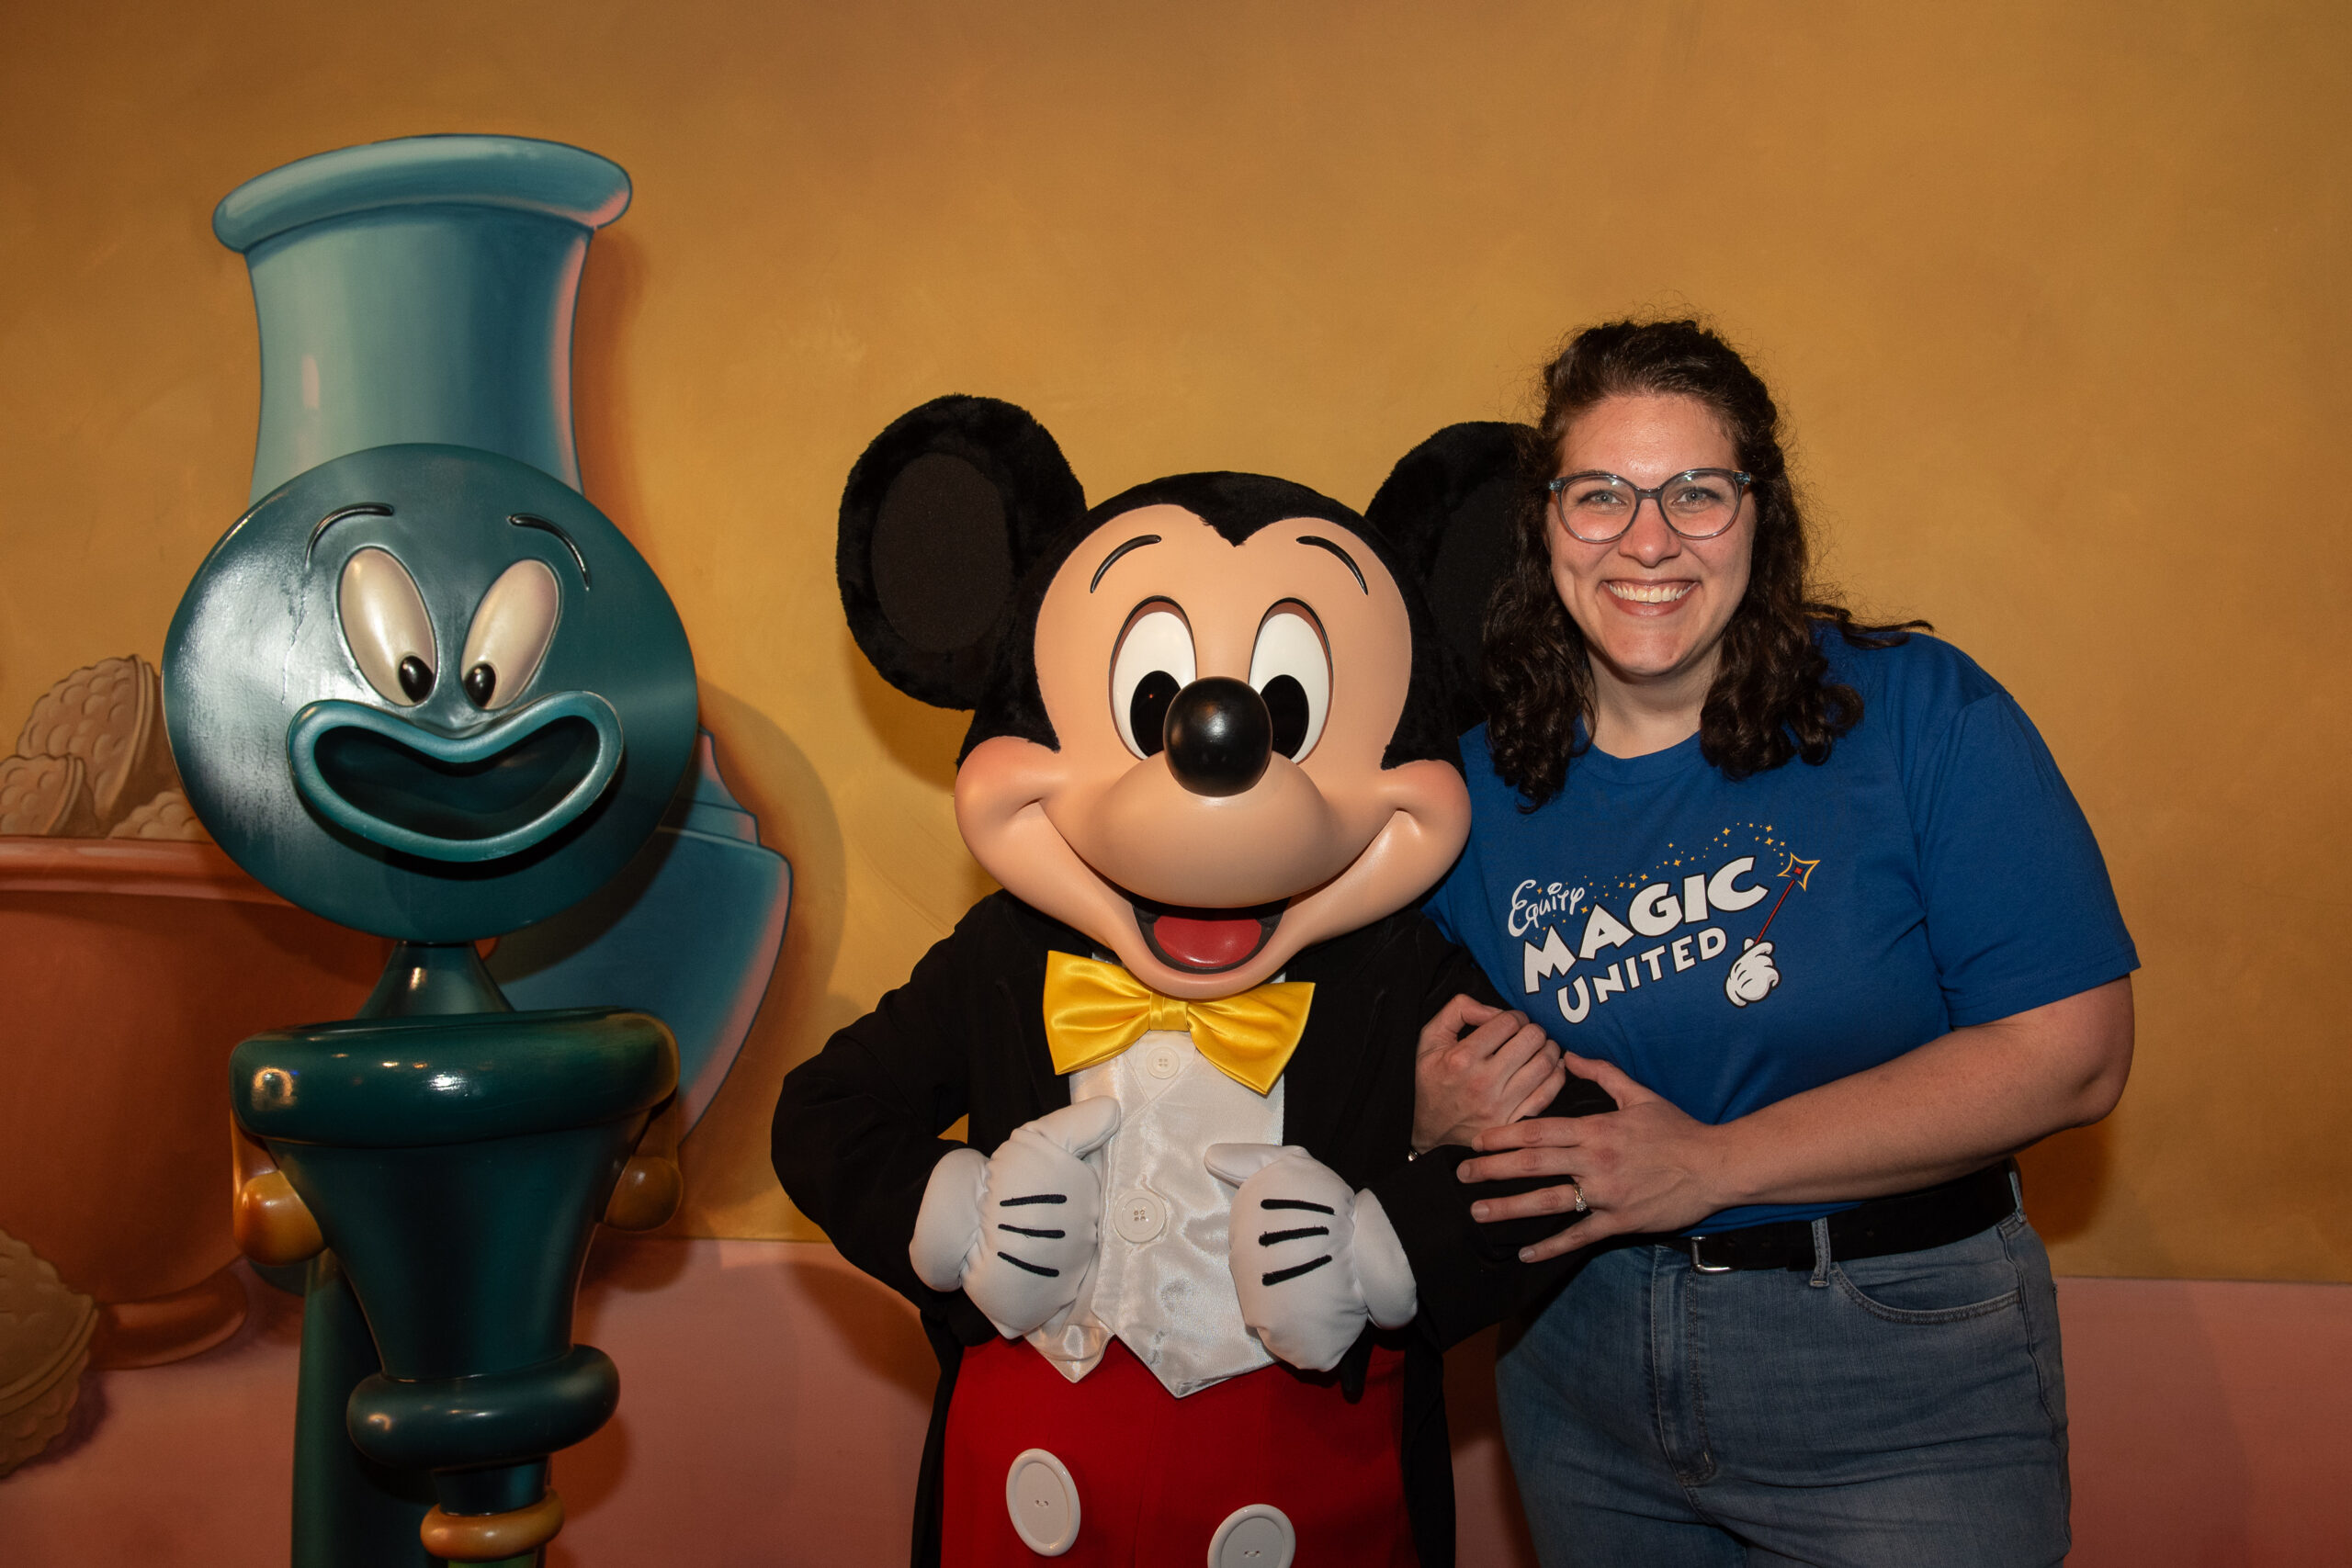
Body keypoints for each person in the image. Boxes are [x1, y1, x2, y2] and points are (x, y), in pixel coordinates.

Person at [1411, 319, 2137, 1568]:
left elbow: (2074, 1052)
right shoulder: (1464, 798)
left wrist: (1716, 1165)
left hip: (1897, 1368)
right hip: (1578, 1369)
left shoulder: (1917, 713)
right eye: (1602, 497)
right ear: (1544, 524)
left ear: (1761, 514)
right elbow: (1382, 1062)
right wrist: (1424, 1114)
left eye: (1697, 492)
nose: (1649, 540)